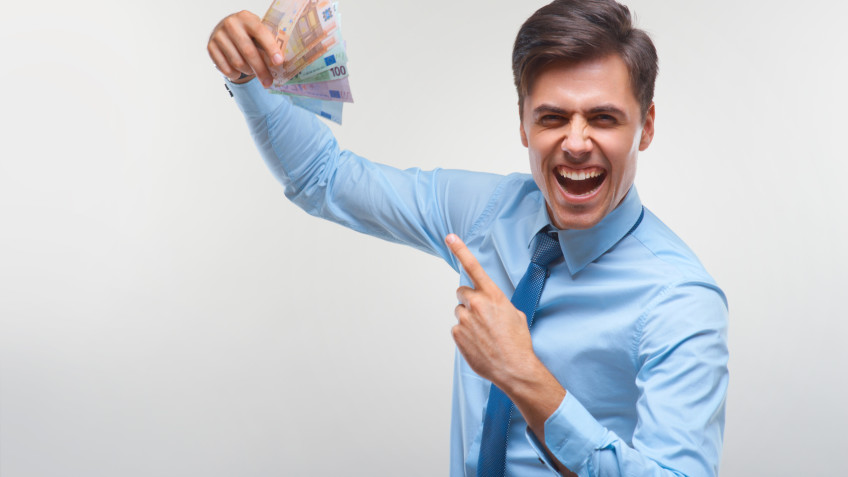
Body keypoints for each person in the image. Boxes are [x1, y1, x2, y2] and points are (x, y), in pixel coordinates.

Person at [207, 1, 729, 475]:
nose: (575, 143)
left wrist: (525, 377)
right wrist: (247, 80)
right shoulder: (489, 212)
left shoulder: (681, 300)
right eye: (551, 117)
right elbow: (325, 176)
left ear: (647, 127)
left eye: (603, 118)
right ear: (523, 125)